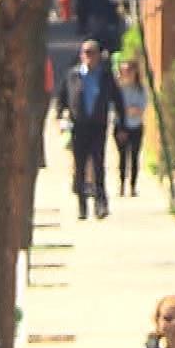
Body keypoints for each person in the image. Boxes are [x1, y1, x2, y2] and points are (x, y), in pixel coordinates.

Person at [55, 39, 125, 219]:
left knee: (98, 165)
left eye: (92, 53)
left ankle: (101, 204)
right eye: (86, 53)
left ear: (98, 56)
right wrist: (59, 116)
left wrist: (121, 123)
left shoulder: (105, 76)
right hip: (78, 127)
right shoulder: (73, 75)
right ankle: (82, 207)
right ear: (81, 55)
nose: (89, 57)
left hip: (98, 126)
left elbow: (118, 101)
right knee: (79, 168)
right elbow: (62, 97)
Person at [114, 60, 149, 197]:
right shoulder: (117, 90)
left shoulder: (140, 89)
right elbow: (115, 109)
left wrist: (129, 110)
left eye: (129, 71)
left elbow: (141, 108)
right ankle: (122, 185)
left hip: (136, 126)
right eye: (123, 71)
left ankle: (133, 187)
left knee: (134, 157)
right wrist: (128, 110)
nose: (126, 74)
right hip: (121, 126)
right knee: (122, 157)